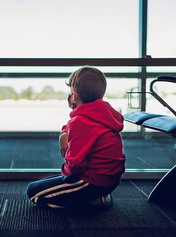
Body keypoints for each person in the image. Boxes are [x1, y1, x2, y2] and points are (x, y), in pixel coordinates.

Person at [26, 66, 126, 209]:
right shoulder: (102, 113)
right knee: (48, 182)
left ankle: (92, 203)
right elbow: (77, 126)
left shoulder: (80, 121)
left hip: (91, 181)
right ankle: (97, 197)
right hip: (110, 181)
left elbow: (75, 167)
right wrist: (64, 133)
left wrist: (66, 177)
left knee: (33, 192)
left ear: (74, 94)